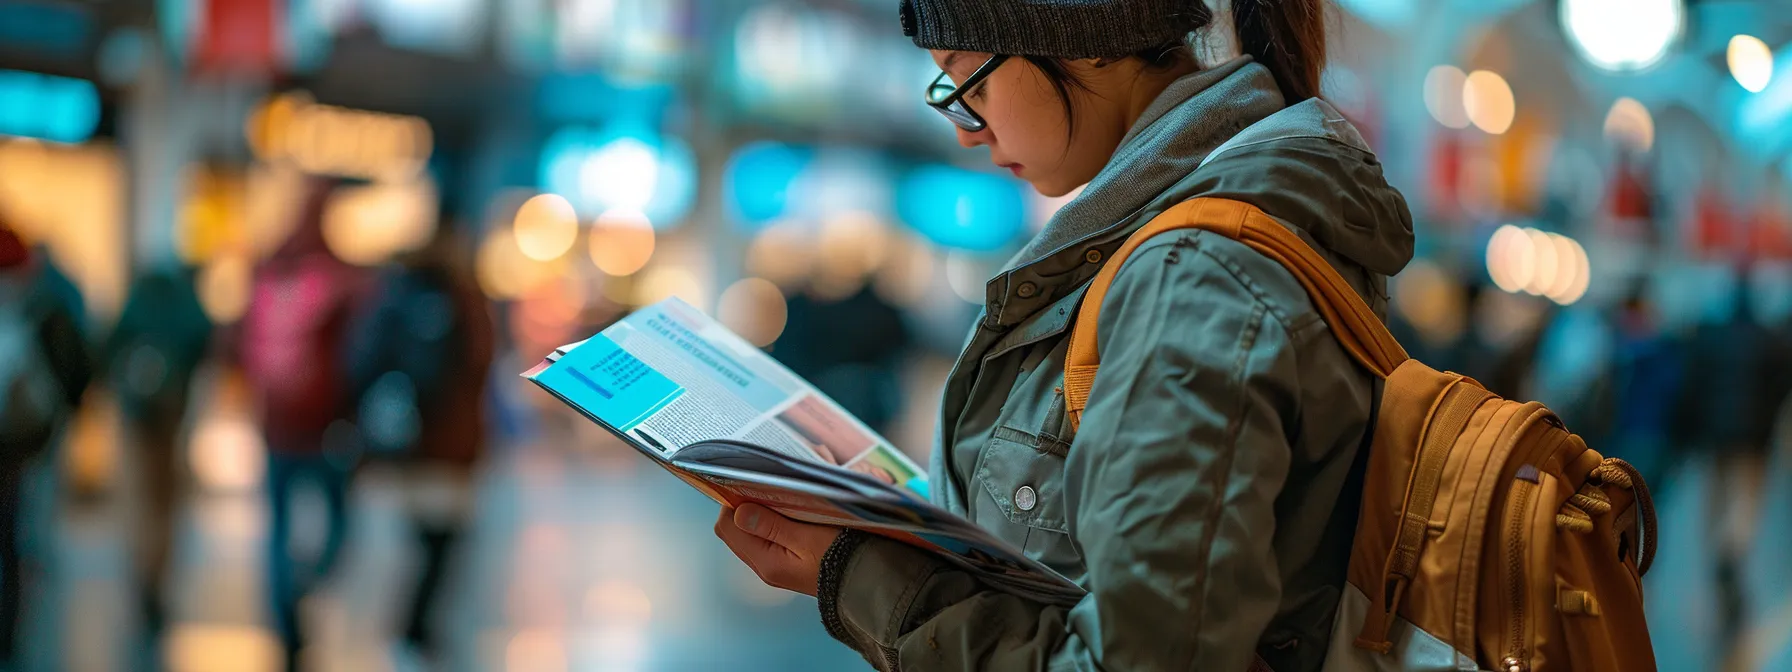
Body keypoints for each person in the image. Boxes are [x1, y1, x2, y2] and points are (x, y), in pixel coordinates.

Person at [713, 1, 1413, 670]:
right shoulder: (1179, 240)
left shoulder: (1192, 276)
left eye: (969, 80)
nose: (966, 130)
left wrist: (860, 576)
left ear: (1087, 35)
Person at [343, 223, 494, 663]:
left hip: (405, 439)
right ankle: (414, 628)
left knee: (422, 540)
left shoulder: (390, 296)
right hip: (450, 443)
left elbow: (359, 363)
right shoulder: (462, 300)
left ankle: (411, 627)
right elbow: (479, 365)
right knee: (443, 542)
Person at [238, 176, 363, 669]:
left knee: (277, 528)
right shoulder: (342, 277)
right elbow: (359, 353)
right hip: (327, 424)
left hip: (275, 422)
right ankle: (305, 583)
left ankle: (287, 622)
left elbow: (237, 340)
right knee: (337, 523)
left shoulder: (267, 268)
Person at [0, 226, 93, 667]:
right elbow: (77, 358)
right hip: (25, 438)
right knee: (20, 530)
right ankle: (11, 629)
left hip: (21, 436)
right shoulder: (47, 295)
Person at [105, 262, 212, 645]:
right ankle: (156, 576)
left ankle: (141, 572)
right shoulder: (186, 303)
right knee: (164, 502)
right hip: (171, 411)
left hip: (136, 413)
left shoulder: (137, 301)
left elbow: (110, 344)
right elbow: (204, 341)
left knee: (139, 498)